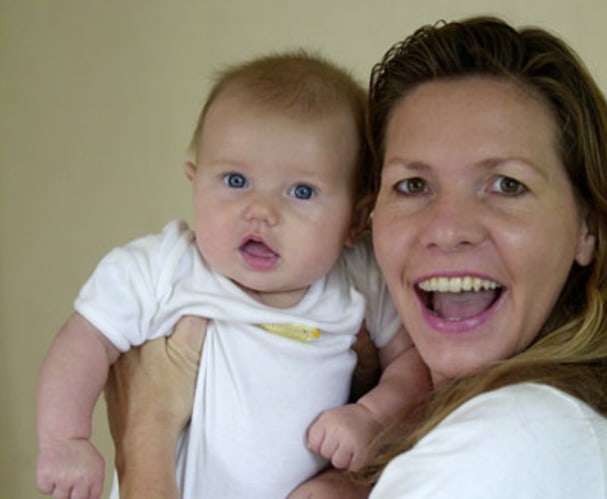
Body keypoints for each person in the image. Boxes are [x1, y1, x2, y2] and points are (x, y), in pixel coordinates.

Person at [106, 16, 607, 499]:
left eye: (506, 184)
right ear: (364, 222)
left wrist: (145, 437)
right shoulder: (544, 428)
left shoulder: (512, 439)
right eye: (412, 185)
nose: (447, 229)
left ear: (588, 226)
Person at [35, 51, 430, 499]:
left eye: (301, 191)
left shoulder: (357, 279)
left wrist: (373, 417)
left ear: (356, 220)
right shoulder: (167, 266)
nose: (260, 211)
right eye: (235, 181)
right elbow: (83, 339)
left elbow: (412, 363)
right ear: (195, 179)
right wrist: (66, 439)